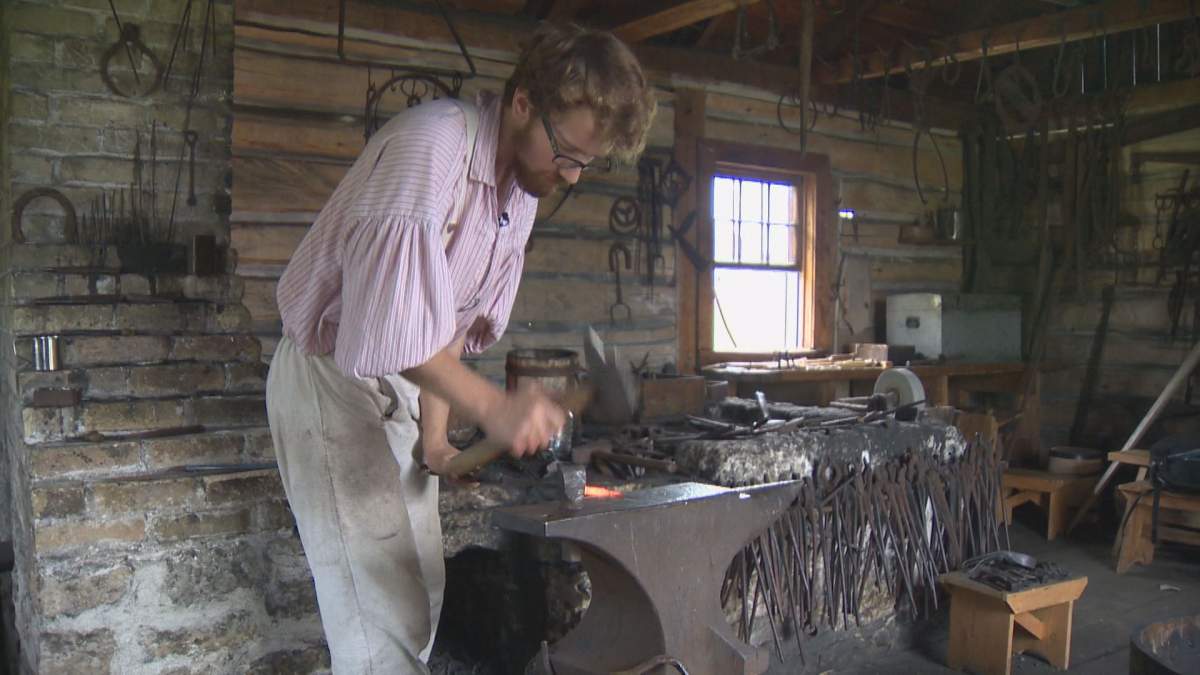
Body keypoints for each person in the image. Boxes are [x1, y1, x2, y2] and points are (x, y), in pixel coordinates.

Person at [264, 21, 657, 674]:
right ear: (523, 102)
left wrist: (437, 440)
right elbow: (388, 329)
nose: (571, 176)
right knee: (379, 617)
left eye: (585, 163)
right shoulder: (433, 148)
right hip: (331, 382)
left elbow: (443, 325)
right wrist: (495, 407)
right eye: (566, 153)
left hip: (403, 388)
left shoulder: (516, 195)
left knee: (421, 594)